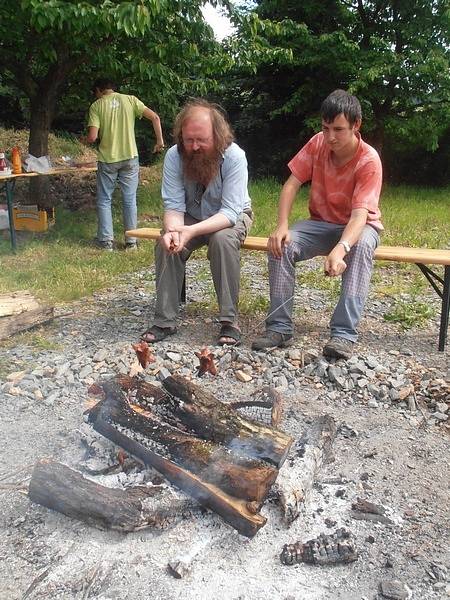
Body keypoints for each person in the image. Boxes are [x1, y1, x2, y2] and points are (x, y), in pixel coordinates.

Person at [252, 89, 383, 359]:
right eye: (325, 128)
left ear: (356, 125)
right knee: (281, 244)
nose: (330, 137)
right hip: (320, 223)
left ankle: (343, 335)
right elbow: (291, 184)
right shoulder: (317, 144)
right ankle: (279, 327)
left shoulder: (369, 160)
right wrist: (282, 224)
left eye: (338, 129)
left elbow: (360, 216)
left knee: (360, 248)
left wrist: (342, 248)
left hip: (359, 225)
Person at [141, 98, 253, 346]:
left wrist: (190, 230)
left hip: (230, 215)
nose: (194, 146)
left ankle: (229, 321)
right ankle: (165, 320)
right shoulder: (174, 156)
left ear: (217, 135)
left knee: (222, 240)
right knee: (167, 242)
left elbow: (231, 213)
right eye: (189, 139)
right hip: (191, 215)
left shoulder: (234, 157)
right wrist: (173, 231)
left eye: (201, 140)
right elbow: (173, 205)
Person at [86, 78, 165, 250]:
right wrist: (159, 141)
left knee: (104, 200)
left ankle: (106, 242)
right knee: (129, 199)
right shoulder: (130, 100)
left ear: (99, 90)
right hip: (130, 157)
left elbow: (92, 137)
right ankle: (131, 241)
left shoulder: (97, 105)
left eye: (95, 93)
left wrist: (84, 139)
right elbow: (155, 117)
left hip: (108, 159)